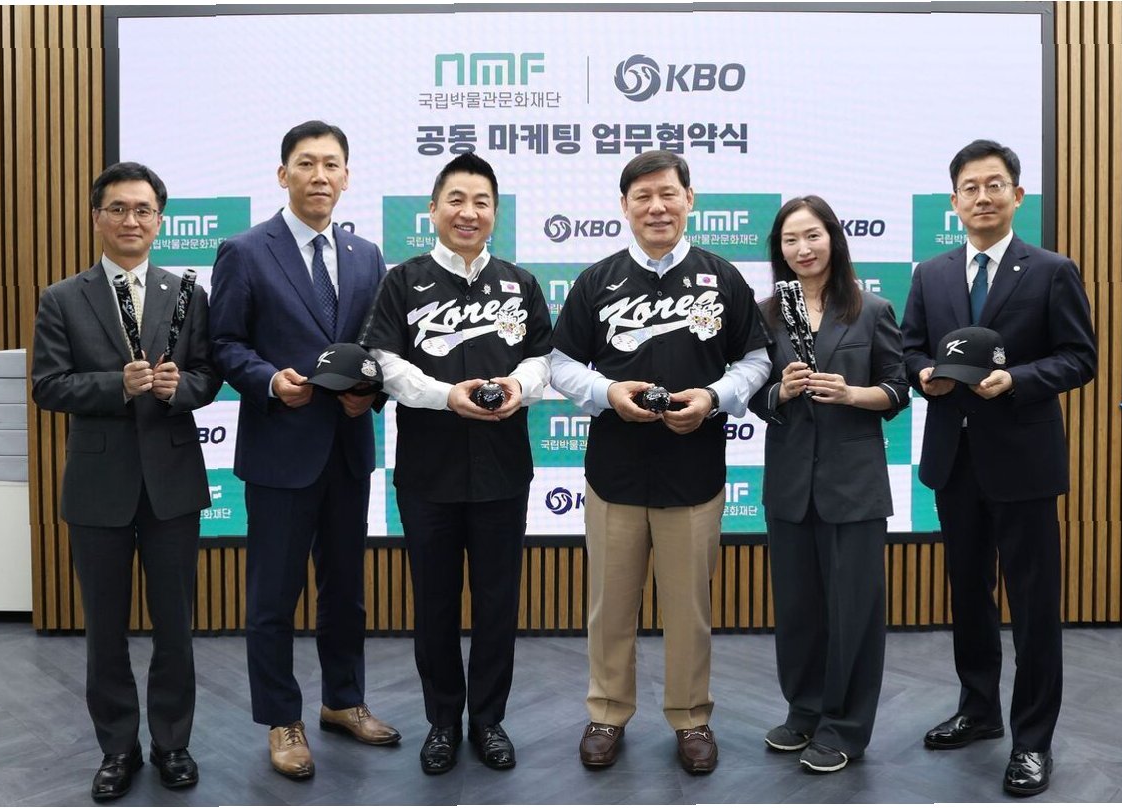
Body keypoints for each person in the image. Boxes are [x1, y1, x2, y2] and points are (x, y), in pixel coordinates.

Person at [550, 150, 771, 774]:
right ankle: (607, 711)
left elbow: (756, 359)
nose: (657, 206)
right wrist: (606, 392)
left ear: (689, 200)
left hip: (694, 473)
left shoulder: (722, 277)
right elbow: (560, 363)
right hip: (614, 474)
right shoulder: (597, 280)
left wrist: (714, 398)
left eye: (668, 193)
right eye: (642, 196)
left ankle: (691, 717)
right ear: (624, 206)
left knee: (689, 610)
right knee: (609, 608)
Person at [900, 139, 1096, 796]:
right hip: (954, 462)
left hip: (1025, 464)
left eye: (993, 185)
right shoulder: (930, 274)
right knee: (968, 594)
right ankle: (979, 710)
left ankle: (1033, 740)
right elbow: (908, 349)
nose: (981, 197)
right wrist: (921, 375)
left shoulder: (1052, 270)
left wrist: (1016, 380)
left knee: (1034, 605)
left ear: (1017, 195)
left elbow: (1079, 358)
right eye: (969, 188)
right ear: (954, 201)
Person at [209, 120, 399, 780]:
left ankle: (343, 700)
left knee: (345, 591)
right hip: (279, 450)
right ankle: (281, 719)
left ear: (347, 177)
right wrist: (269, 382)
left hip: (347, 448)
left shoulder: (367, 255)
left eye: (332, 164)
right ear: (282, 173)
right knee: (273, 597)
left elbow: (379, 349)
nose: (320, 175)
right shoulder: (244, 251)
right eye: (307, 163)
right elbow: (224, 343)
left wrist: (369, 394)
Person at [31, 162, 222, 799]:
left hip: (173, 484)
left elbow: (209, 375)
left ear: (159, 220)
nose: (130, 220)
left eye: (143, 210)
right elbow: (48, 386)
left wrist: (178, 387)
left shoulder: (188, 292)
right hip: (97, 487)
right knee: (104, 630)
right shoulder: (62, 297)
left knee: (175, 627)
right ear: (97, 218)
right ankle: (117, 748)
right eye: (117, 208)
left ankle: (172, 744)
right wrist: (116, 385)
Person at [362, 153, 552, 775]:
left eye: (481, 202)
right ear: (433, 209)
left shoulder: (520, 283)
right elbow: (384, 363)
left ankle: (489, 720)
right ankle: (442, 721)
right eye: (457, 200)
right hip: (428, 472)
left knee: (498, 603)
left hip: (503, 469)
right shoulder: (402, 281)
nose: (469, 212)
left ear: (495, 213)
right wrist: (447, 395)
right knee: (435, 603)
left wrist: (520, 385)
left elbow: (544, 358)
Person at [747, 196, 908, 774]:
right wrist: (781, 391)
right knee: (798, 609)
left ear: (834, 239)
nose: (803, 249)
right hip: (790, 484)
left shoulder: (871, 309)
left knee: (854, 611)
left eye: (812, 236)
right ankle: (804, 711)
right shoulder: (765, 314)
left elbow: (897, 390)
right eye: (790, 240)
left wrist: (851, 393)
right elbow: (754, 396)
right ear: (779, 250)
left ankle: (845, 727)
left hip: (853, 486)